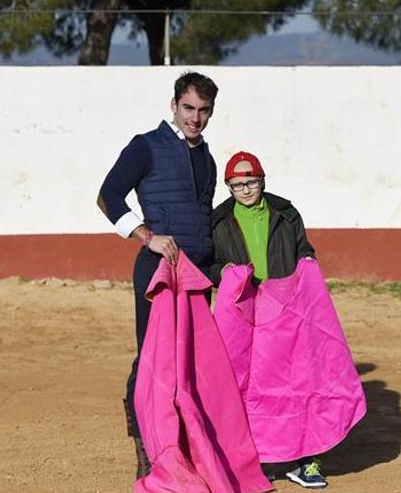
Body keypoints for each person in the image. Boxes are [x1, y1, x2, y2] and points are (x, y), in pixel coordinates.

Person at [96, 71, 218, 477]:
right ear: (174, 105)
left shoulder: (208, 157)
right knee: (154, 358)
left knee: (190, 362)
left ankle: (180, 446)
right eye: (188, 108)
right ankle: (144, 447)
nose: (194, 118)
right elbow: (108, 194)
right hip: (159, 270)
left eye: (203, 110)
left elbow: (202, 219)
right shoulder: (145, 146)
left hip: (197, 274)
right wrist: (145, 235)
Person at [211, 151, 334, 489]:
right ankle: (257, 457)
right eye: (237, 186)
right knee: (247, 384)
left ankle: (307, 460)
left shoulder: (285, 212)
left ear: (262, 180)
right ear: (229, 188)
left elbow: (302, 249)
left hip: (285, 307)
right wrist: (223, 273)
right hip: (244, 309)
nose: (246, 190)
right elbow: (208, 263)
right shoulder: (218, 219)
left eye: (251, 182)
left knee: (298, 379)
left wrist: (307, 261)